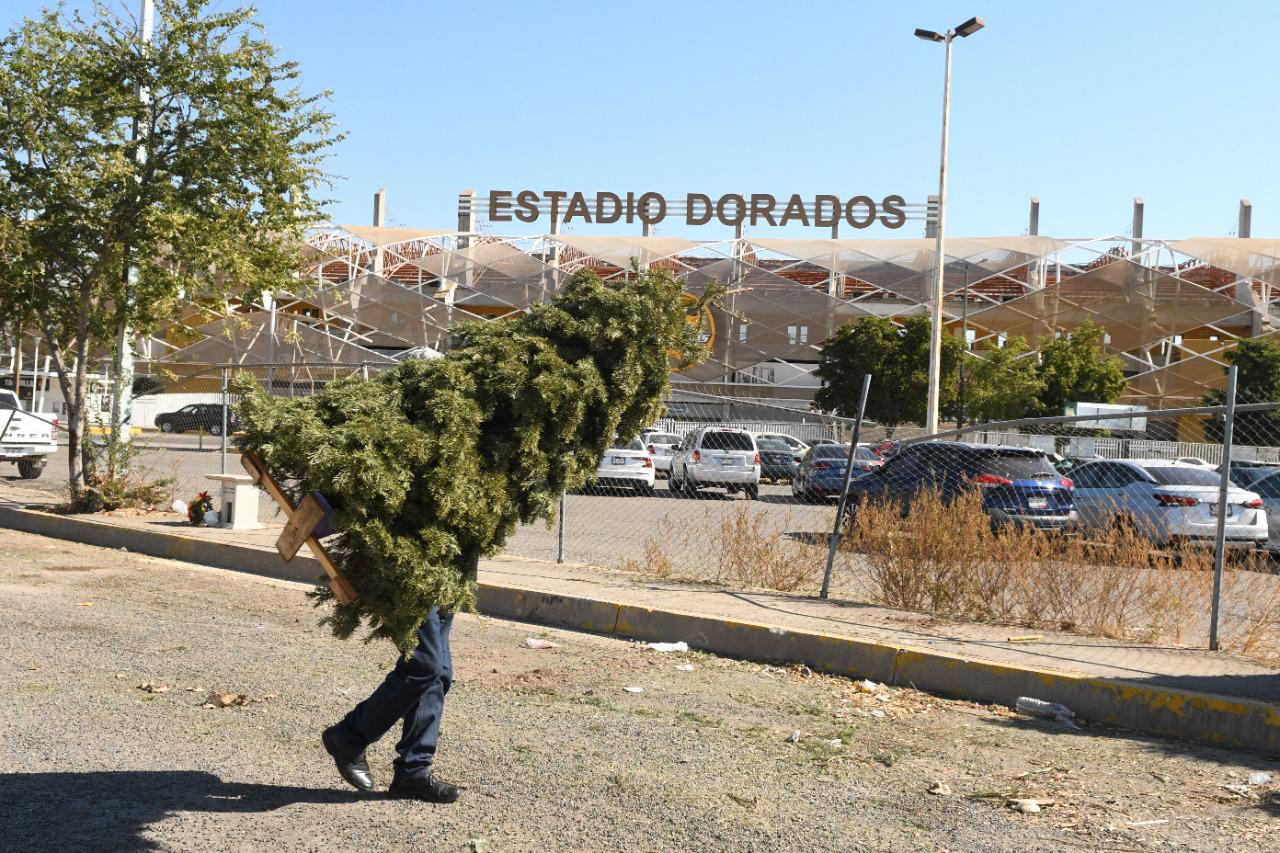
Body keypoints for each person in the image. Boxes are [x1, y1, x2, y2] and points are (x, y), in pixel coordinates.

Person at [321, 607, 462, 803]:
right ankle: (349, 736)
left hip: (451, 580)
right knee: (423, 663)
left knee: (439, 672)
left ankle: (413, 771)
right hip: (412, 585)